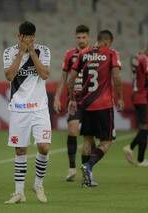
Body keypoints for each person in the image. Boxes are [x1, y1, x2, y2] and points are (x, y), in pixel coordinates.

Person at [68, 30, 124, 187]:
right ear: (107, 42)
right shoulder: (111, 53)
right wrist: (120, 98)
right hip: (104, 105)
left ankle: (86, 179)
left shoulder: (83, 54)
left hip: (86, 105)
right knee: (106, 141)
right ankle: (89, 166)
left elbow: (71, 79)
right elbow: (117, 78)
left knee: (87, 139)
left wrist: (72, 99)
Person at [3, 21, 51, 204]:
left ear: (34, 37)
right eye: (26, 38)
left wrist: (31, 52)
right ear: (19, 37)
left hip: (39, 107)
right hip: (18, 108)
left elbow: (45, 74)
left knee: (44, 147)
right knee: (20, 149)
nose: (29, 40)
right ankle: (19, 192)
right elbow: (9, 76)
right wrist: (21, 54)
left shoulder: (43, 51)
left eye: (32, 38)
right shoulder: (9, 52)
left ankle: (38, 185)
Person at [53, 25, 91, 181]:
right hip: (74, 101)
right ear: (75, 38)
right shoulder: (70, 54)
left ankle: (87, 172)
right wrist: (56, 97)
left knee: (89, 138)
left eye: (84, 37)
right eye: (78, 37)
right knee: (72, 131)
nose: (81, 40)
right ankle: (71, 168)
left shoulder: (95, 54)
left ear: (88, 37)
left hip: (91, 100)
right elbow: (63, 78)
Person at [123, 45, 148, 166]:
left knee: (145, 127)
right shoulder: (145, 59)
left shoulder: (138, 57)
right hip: (142, 96)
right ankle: (132, 149)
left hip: (137, 95)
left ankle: (140, 158)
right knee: (144, 128)